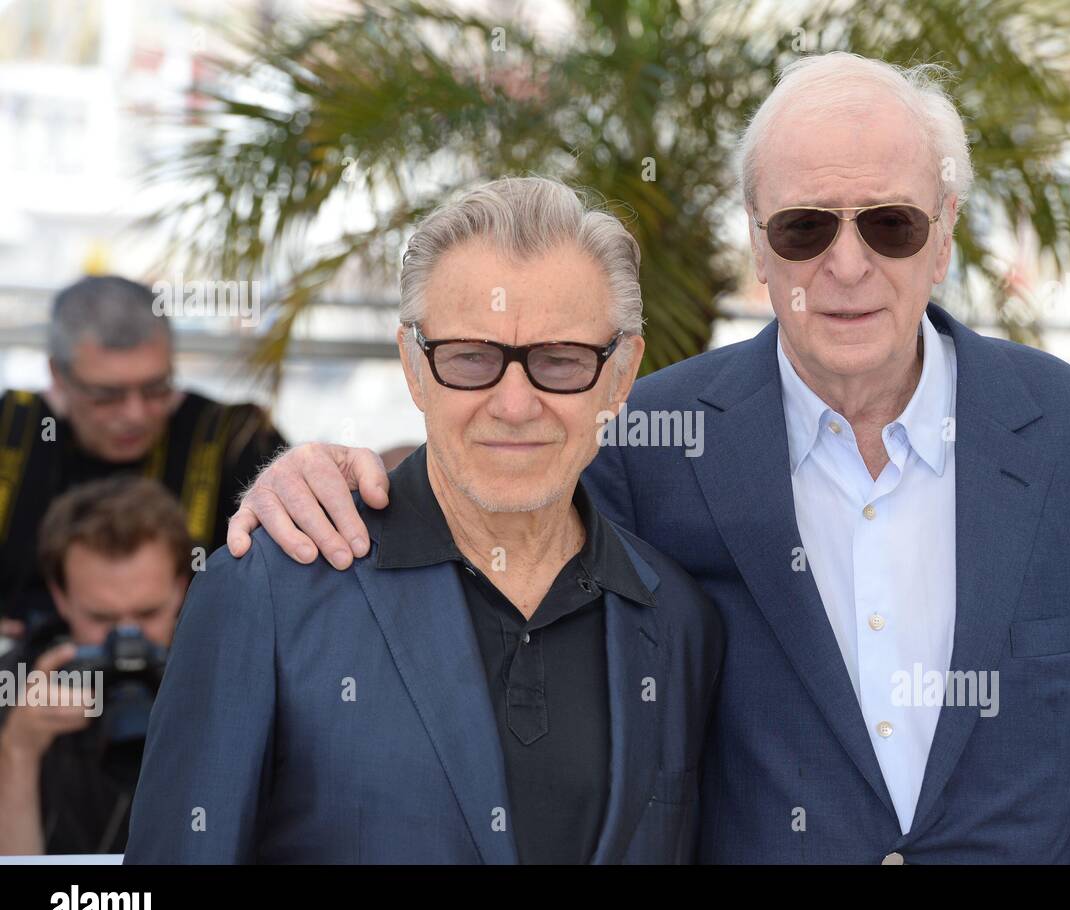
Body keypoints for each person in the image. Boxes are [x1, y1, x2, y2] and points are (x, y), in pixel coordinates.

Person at [226, 54, 1070, 863]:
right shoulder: (647, 437)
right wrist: (311, 477)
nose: (848, 264)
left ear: (943, 235)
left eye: (892, 223)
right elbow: (491, 501)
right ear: (759, 245)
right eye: (805, 226)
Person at [124, 178, 724, 864]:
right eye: (472, 358)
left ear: (620, 377)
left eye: (560, 361)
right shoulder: (267, 590)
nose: (515, 404)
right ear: (413, 366)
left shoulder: (679, 621)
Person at [0, 275, 285, 637]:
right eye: (107, 395)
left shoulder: (236, 439)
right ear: (58, 374)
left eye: (156, 388)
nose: (135, 414)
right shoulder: (12, 431)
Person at [0, 477, 191, 855]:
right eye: (101, 617)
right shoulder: (14, 678)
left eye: (148, 612)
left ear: (181, 587)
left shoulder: (227, 674)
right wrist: (18, 751)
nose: (127, 638)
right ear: (61, 597)